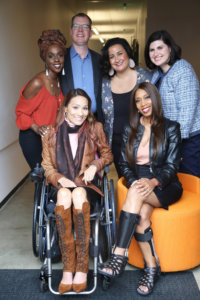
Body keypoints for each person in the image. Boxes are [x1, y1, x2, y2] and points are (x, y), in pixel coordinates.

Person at [98, 82, 183, 296]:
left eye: (146, 98)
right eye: (138, 100)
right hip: (139, 180)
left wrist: (153, 182)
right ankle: (152, 268)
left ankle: (118, 254)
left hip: (165, 184)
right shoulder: (130, 128)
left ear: (155, 99)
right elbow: (124, 163)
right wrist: (135, 180)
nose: (143, 103)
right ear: (135, 105)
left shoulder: (171, 128)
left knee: (136, 193)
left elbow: (173, 166)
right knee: (142, 216)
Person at [41, 88, 113, 294]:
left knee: (79, 193)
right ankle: (67, 267)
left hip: (86, 186)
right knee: (65, 194)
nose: (81, 112)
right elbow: (47, 167)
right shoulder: (50, 134)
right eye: (75, 107)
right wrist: (60, 179)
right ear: (65, 109)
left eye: (85, 108)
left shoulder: (95, 128)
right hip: (61, 186)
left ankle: (81, 266)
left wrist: (94, 166)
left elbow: (108, 155)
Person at [145, 30, 200, 178]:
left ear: (170, 48)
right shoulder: (157, 73)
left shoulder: (183, 70)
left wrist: (172, 145)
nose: (156, 53)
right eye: (152, 49)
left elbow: (187, 113)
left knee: (190, 181)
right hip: (169, 138)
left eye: (160, 47)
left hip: (187, 140)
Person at [101, 37, 152, 178]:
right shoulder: (105, 83)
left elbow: (158, 107)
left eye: (119, 53)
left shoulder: (146, 76)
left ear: (127, 53)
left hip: (144, 142)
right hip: (117, 145)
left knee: (144, 184)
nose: (116, 59)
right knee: (126, 182)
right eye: (111, 56)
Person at [15, 30, 66, 170]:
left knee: (54, 178)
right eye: (51, 56)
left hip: (51, 138)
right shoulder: (37, 83)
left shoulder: (61, 82)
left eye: (60, 55)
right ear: (45, 58)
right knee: (43, 177)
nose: (56, 60)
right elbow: (20, 113)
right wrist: (37, 128)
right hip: (33, 137)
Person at [60, 12, 103, 122]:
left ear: (90, 33)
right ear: (71, 31)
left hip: (95, 121)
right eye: (76, 26)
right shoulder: (60, 59)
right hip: (67, 123)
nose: (80, 30)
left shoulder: (100, 60)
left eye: (85, 26)